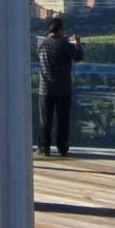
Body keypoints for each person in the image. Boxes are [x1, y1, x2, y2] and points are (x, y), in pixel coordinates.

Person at [39, 13, 79, 155]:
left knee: (46, 120)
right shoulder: (64, 44)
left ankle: (45, 147)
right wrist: (77, 44)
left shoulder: (43, 44)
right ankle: (62, 147)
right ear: (60, 30)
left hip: (45, 88)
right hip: (62, 88)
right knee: (63, 120)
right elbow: (79, 56)